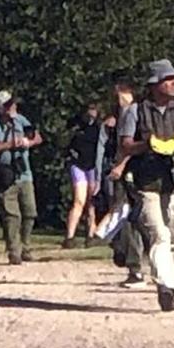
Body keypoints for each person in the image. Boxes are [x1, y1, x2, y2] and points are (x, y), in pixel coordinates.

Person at [117, 60, 174, 312]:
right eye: (168, 79)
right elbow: (125, 145)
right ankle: (165, 284)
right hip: (149, 181)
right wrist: (148, 145)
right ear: (154, 84)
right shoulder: (136, 111)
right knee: (159, 234)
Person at [96, 79, 149, 288]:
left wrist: (121, 166)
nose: (119, 100)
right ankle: (126, 254)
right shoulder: (121, 116)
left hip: (129, 172)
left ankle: (134, 264)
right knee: (125, 215)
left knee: (126, 216)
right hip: (123, 170)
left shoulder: (131, 112)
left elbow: (129, 146)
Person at [0, 90, 43, 266]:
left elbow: (37, 137)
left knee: (30, 212)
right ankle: (14, 251)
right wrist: (9, 145)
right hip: (5, 174)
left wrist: (28, 142)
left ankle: (26, 247)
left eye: (13, 104)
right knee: (12, 215)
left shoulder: (21, 120)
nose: (12, 108)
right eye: (8, 105)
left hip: (24, 172)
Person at [61, 101, 102, 248]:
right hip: (78, 165)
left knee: (91, 202)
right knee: (79, 200)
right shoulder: (77, 127)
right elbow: (65, 143)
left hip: (93, 167)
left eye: (94, 109)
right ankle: (70, 236)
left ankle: (90, 235)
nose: (91, 113)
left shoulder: (100, 129)